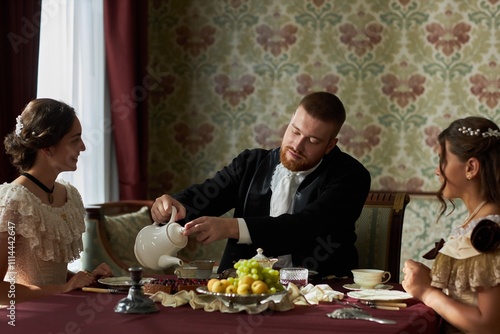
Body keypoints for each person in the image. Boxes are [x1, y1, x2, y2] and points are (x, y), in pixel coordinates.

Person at [151, 91, 371, 278]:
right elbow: (205, 197)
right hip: (243, 285)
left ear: (331, 145)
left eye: (313, 141)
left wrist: (231, 227)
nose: (297, 145)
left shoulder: (351, 177)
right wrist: (173, 206)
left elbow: (305, 226)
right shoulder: (251, 163)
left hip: (322, 289)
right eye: (295, 131)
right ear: (290, 121)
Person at [0, 98, 112, 305]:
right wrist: (63, 289)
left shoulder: (68, 196)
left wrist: (83, 279)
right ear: (47, 148)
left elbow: (51, 275)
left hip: (59, 309)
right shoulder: (12, 201)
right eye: (75, 140)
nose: (83, 147)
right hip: (25, 317)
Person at [402, 116, 500, 333]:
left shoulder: (488, 233)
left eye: (442, 160)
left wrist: (427, 292)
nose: (438, 170)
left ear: (471, 167)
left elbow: (489, 325)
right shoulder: (476, 221)